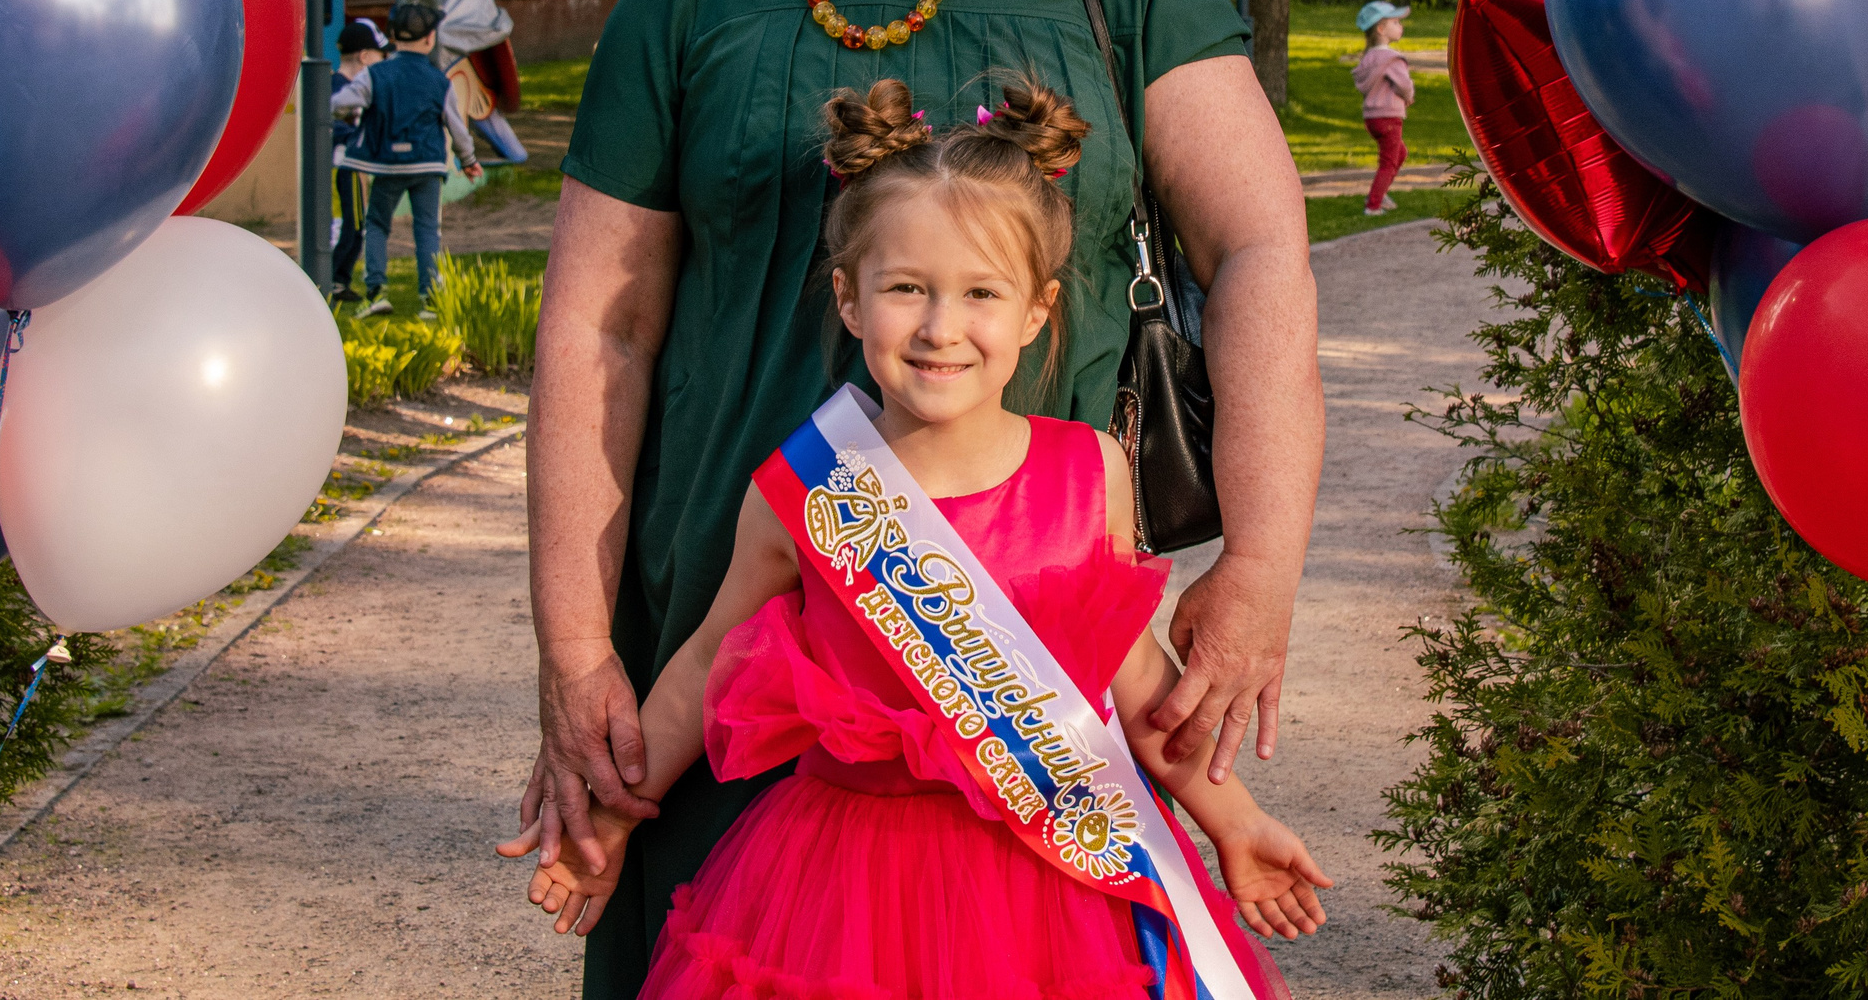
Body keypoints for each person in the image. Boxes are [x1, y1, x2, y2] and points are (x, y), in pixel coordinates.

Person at [526, 0, 1323, 996]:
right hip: (751, 660)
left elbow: (1260, 243)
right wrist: (579, 649)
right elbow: (602, 322)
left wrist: (1261, 561)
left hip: (1036, 669)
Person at [501, 80, 1329, 997]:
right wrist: (611, 816)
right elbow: (707, 667)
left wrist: (1233, 821)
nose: (941, 327)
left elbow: (1128, 681)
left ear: (1035, 312)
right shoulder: (805, 492)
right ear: (851, 301)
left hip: (1051, 892)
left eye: (981, 291)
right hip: (838, 890)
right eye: (907, 289)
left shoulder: (1092, 472)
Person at [334, 1, 480, 318]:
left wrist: (342, 111)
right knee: (427, 229)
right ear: (430, 39)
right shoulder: (438, 81)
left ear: (393, 38)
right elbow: (457, 126)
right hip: (427, 165)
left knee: (376, 224)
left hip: (386, 164)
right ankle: (429, 300)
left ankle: (376, 292)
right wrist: (468, 160)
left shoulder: (375, 75)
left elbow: (342, 102)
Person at [329, 18, 389, 305]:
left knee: (354, 224)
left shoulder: (349, 88)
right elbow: (334, 127)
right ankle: (333, 279)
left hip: (349, 165)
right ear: (365, 57)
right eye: (380, 56)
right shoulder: (338, 87)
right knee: (348, 225)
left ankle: (338, 280)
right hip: (341, 165)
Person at [1352, 1, 1416, 215]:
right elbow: (1404, 85)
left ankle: (1379, 193)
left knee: (1400, 153)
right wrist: (1409, 97)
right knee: (1388, 162)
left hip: (1372, 118)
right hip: (1390, 117)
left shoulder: (1369, 58)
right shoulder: (1392, 59)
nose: (1400, 26)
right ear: (1381, 29)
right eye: (1395, 22)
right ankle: (1373, 205)